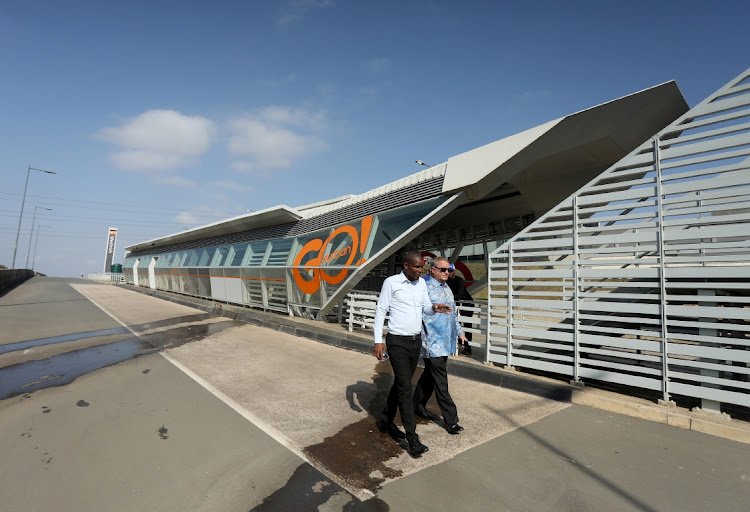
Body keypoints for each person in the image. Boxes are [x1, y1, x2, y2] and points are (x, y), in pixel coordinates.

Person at [373, 251, 450, 456]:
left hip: (415, 342)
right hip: (397, 341)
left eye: (422, 267)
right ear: (406, 265)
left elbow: (426, 307)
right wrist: (378, 341)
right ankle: (412, 438)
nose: (421, 271)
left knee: (401, 382)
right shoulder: (391, 283)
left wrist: (435, 307)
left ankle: (386, 421)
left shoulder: (421, 284)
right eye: (417, 267)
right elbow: (381, 310)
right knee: (405, 387)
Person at [413, 257, 468, 434]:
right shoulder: (424, 287)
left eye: (449, 270)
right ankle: (451, 420)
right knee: (440, 381)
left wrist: (460, 333)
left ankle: (417, 405)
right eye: (443, 269)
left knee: (430, 375)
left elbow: (452, 314)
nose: (447, 273)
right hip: (432, 341)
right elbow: (418, 311)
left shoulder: (447, 289)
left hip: (446, 341)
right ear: (433, 269)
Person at [447, 263, 474, 355]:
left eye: (450, 271)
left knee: (467, 326)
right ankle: (454, 346)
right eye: (446, 271)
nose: (448, 273)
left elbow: (458, 295)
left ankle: (467, 347)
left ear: (454, 271)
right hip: (457, 305)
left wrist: (446, 298)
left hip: (467, 304)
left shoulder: (459, 281)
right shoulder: (446, 282)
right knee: (454, 325)